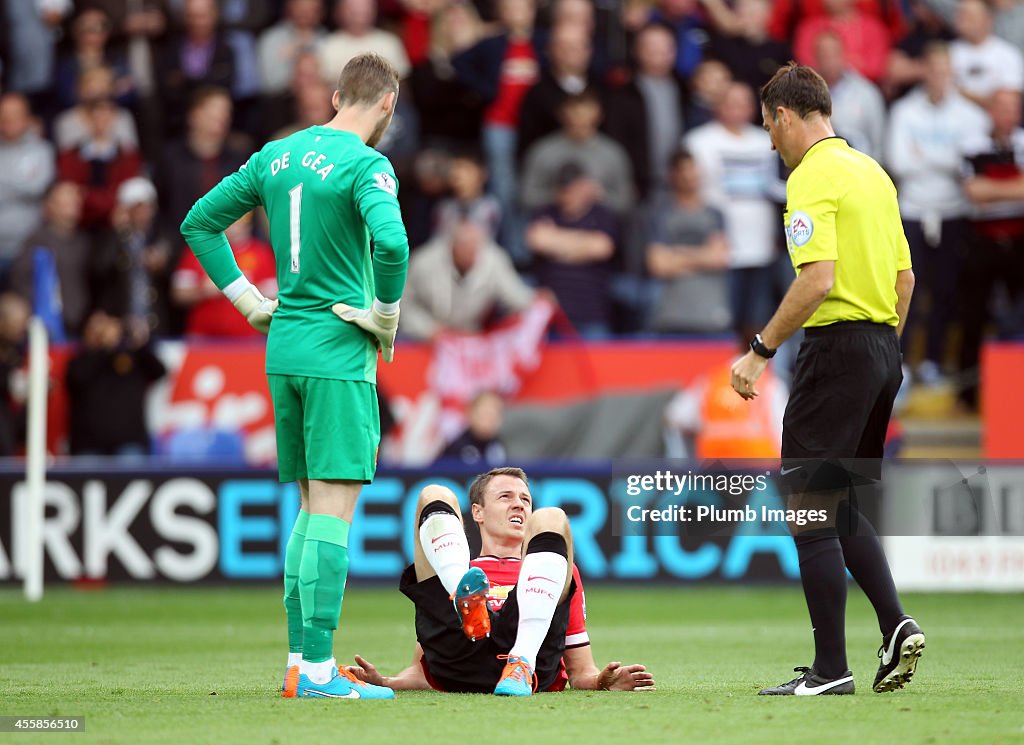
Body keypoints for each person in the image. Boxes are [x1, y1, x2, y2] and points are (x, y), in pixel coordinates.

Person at [179, 52, 410, 701]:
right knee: (334, 510)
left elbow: (198, 222)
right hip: (340, 351)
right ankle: (316, 671)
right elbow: (391, 244)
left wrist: (250, 299)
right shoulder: (368, 165)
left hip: (284, 346)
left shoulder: (275, 156)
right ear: (387, 103)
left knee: (308, 509)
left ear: (338, 94)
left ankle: (297, 662)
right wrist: (385, 314)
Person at [730, 63, 924, 696]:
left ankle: (829, 669)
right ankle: (896, 626)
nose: (768, 141)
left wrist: (760, 350)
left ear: (786, 116)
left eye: (767, 126)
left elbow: (816, 278)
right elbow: (906, 278)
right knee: (839, 506)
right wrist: (879, 351)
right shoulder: (873, 173)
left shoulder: (810, 177)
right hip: (880, 347)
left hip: (837, 348)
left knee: (813, 506)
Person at [346, 467, 655, 695]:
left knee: (553, 517)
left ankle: (520, 660)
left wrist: (603, 682)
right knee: (432, 494)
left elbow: (580, 670)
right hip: (459, 658)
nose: (519, 504)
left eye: (524, 499)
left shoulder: (558, 570)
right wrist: (387, 683)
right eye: (505, 497)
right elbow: (421, 669)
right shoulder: (453, 562)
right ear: (477, 512)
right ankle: (467, 604)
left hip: (532, 667)